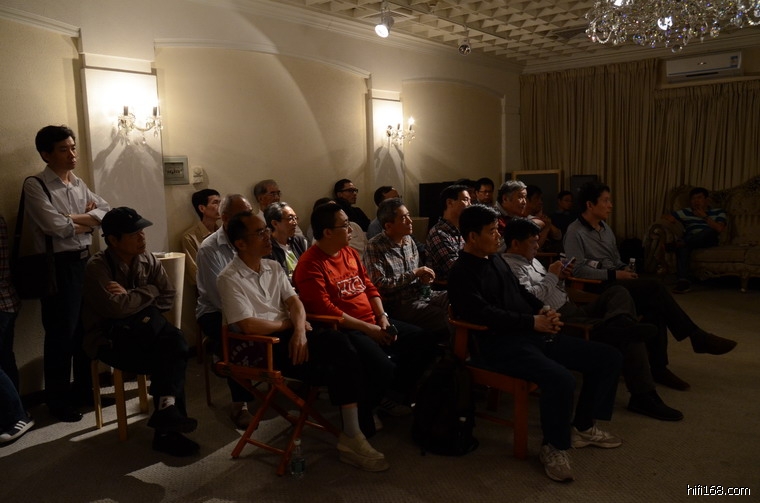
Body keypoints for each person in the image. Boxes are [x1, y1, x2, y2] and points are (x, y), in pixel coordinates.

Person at [448, 204, 623, 483]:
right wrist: (532, 322)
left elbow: (520, 292)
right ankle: (554, 446)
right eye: (492, 231)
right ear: (472, 236)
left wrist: (543, 311)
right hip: (498, 346)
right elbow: (483, 314)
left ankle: (583, 426)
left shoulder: (495, 259)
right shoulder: (461, 272)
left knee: (608, 357)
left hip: (529, 335)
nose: (498, 236)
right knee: (561, 379)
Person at [217, 211, 389, 471]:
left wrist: (299, 330)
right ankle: (353, 433)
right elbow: (249, 325)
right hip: (262, 346)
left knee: (342, 345)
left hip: (293, 334)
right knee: (339, 360)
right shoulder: (228, 278)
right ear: (240, 243)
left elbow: (295, 303)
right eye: (260, 232)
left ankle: (353, 433)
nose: (268, 236)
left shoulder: (273, 267)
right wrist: (291, 325)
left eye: (266, 230)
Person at [502, 218, 682, 421]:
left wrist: (560, 278)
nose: (537, 246)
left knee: (618, 293)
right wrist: (552, 276)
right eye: (532, 242)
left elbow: (552, 289)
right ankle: (643, 395)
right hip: (559, 319)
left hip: (573, 307)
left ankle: (620, 324)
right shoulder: (510, 267)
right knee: (629, 336)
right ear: (515, 243)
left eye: (537, 241)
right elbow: (530, 298)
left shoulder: (532, 260)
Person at [564, 181, 737, 389]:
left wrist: (625, 269)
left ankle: (659, 367)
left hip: (616, 279)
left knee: (655, 308)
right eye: (606, 201)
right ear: (590, 205)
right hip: (596, 286)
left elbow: (615, 259)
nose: (610, 205)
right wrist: (614, 273)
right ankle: (696, 337)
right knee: (655, 288)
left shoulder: (605, 228)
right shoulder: (575, 231)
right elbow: (577, 270)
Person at [293, 202, 434, 436]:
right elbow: (326, 310)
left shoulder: (348, 252)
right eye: (345, 225)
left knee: (423, 341)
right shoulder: (310, 264)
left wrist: (382, 317)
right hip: (345, 329)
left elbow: (369, 286)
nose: (351, 230)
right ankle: (365, 408)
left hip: (373, 320)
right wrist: (369, 329)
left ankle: (387, 396)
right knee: (382, 366)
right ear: (328, 232)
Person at [82, 207, 199, 456]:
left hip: (147, 335)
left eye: (142, 231)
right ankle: (167, 423)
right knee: (174, 347)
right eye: (134, 234)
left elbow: (168, 295)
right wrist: (150, 292)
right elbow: (115, 308)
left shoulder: (147, 258)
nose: (142, 237)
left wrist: (131, 298)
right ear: (113, 240)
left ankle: (167, 419)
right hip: (111, 340)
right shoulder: (97, 267)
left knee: (170, 346)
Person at [23, 125, 110, 423]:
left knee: (86, 329)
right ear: (46, 155)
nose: (72, 154)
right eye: (64, 149)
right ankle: (57, 401)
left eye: (73, 147)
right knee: (61, 334)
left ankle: (85, 390)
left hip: (85, 261)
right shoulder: (36, 185)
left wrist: (73, 218)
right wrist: (87, 222)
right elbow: (55, 227)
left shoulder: (77, 182)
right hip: (58, 266)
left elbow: (106, 212)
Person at [196, 194, 256, 429]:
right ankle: (240, 404)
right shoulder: (210, 248)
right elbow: (219, 297)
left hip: (252, 305)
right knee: (238, 333)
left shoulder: (252, 239)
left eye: (250, 214)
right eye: (243, 215)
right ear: (225, 218)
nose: (248, 220)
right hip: (215, 311)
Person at [363, 198, 449, 339]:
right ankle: (457, 349)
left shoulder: (409, 240)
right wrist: (414, 273)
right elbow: (380, 285)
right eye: (403, 218)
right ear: (388, 225)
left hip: (421, 295)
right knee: (446, 316)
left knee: (457, 299)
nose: (410, 221)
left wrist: (424, 280)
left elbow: (419, 277)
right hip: (399, 304)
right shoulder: (375, 246)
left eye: (408, 215)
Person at [1, 216, 34, 445]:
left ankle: (16, 416)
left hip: (2, 303)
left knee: (3, 358)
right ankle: (13, 413)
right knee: (4, 358)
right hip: (6, 301)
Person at [663, 187, 727, 294]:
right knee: (684, 246)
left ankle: (678, 244)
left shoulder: (718, 212)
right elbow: (666, 216)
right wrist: (670, 219)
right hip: (691, 239)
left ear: (706, 200)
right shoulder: (686, 212)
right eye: (693, 199)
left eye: (699, 198)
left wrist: (704, 216)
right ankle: (683, 282)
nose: (696, 201)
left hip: (709, 239)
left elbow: (719, 228)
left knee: (709, 231)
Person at [424, 184, 471, 286]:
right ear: (449, 202)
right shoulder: (439, 233)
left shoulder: (462, 230)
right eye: (466, 200)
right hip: (444, 289)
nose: (470, 205)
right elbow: (456, 269)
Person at [181, 189, 220, 286]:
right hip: (208, 289)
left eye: (221, 202)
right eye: (215, 203)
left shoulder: (223, 233)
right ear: (202, 208)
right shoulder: (190, 237)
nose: (220, 206)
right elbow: (195, 274)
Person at [263, 201, 308, 278]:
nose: (295, 223)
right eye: (290, 218)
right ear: (275, 223)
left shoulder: (300, 241)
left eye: (295, 218)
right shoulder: (267, 249)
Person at [525, 185, 562, 251]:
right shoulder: (525, 219)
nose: (540, 202)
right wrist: (546, 228)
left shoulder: (541, 218)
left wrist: (548, 224)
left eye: (541, 199)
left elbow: (558, 236)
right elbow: (535, 247)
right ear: (527, 200)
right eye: (536, 198)